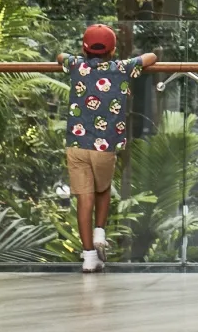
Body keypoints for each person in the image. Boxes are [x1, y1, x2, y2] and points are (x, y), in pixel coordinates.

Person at [57, 24, 156, 273]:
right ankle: (100, 232)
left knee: (83, 198)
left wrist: (74, 57)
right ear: (112, 50)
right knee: (102, 189)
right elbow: (151, 57)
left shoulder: (76, 65)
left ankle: (89, 255)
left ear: (84, 48)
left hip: (76, 144)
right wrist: (129, 59)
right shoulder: (121, 68)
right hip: (105, 146)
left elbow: (60, 55)